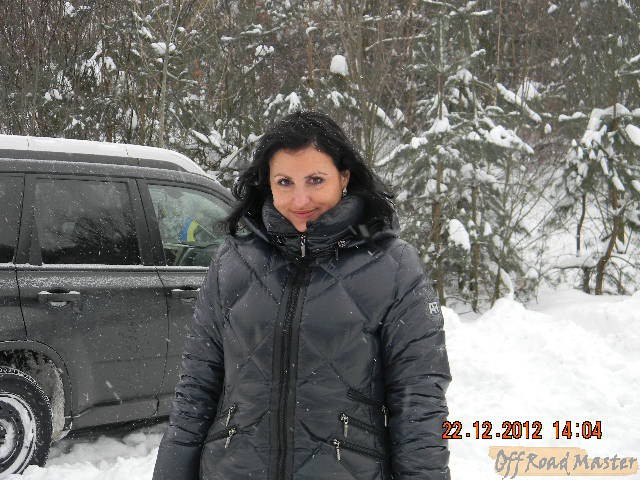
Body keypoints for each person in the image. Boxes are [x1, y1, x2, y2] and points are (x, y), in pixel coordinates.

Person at [152, 111, 451, 480]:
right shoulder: (233, 262)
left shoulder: (394, 266)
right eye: (285, 182)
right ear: (267, 183)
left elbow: (419, 402)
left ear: (344, 177)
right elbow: (196, 387)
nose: (300, 199)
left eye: (315, 180)